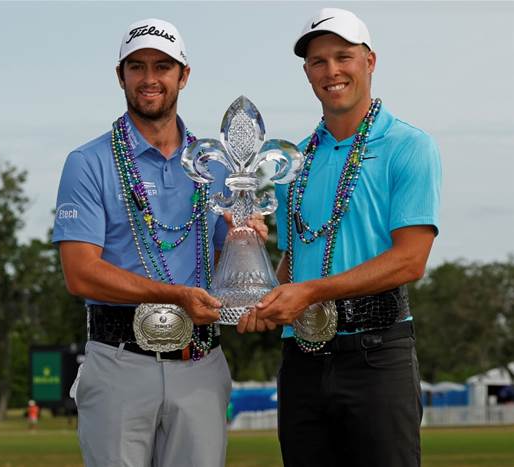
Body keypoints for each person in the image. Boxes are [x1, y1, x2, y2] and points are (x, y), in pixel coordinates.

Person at [53, 18, 266, 467]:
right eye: (137, 67)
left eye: (163, 67)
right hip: (119, 361)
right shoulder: (88, 162)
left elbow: (227, 261)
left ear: (183, 76)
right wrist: (175, 297)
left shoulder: (219, 164)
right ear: (121, 76)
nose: (150, 79)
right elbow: (80, 273)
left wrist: (245, 243)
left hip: (201, 364)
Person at [237, 8, 442, 467]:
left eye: (343, 57)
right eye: (318, 62)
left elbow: (410, 260)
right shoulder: (293, 163)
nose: (332, 71)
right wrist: (255, 280)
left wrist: (311, 292)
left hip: (376, 353)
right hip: (302, 359)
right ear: (307, 73)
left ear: (370, 61)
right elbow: (294, 265)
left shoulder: (408, 145)